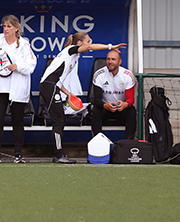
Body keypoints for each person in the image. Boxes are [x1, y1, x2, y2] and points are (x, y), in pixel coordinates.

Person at [40, 33, 126, 164]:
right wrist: (110, 46)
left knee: (60, 120)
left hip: (52, 86)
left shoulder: (72, 56)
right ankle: (58, 156)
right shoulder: (70, 50)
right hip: (49, 86)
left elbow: (58, 79)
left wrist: (68, 93)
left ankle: (58, 154)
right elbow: (90, 47)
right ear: (80, 43)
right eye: (87, 42)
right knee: (58, 121)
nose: (89, 44)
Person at [0, 15, 37, 163]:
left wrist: (18, 67)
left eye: (9, 27)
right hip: (0, 88)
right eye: (4, 26)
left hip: (17, 88)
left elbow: (31, 65)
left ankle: (18, 154)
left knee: (17, 121)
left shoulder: (24, 45)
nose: (5, 29)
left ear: (16, 28)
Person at [89, 49, 137, 140]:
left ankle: (129, 143)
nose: (110, 62)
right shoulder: (99, 74)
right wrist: (105, 105)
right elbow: (97, 99)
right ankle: (97, 141)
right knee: (96, 110)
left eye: (113, 59)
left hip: (120, 108)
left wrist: (125, 104)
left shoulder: (127, 75)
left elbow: (130, 99)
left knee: (132, 111)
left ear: (119, 62)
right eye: (108, 59)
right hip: (105, 108)